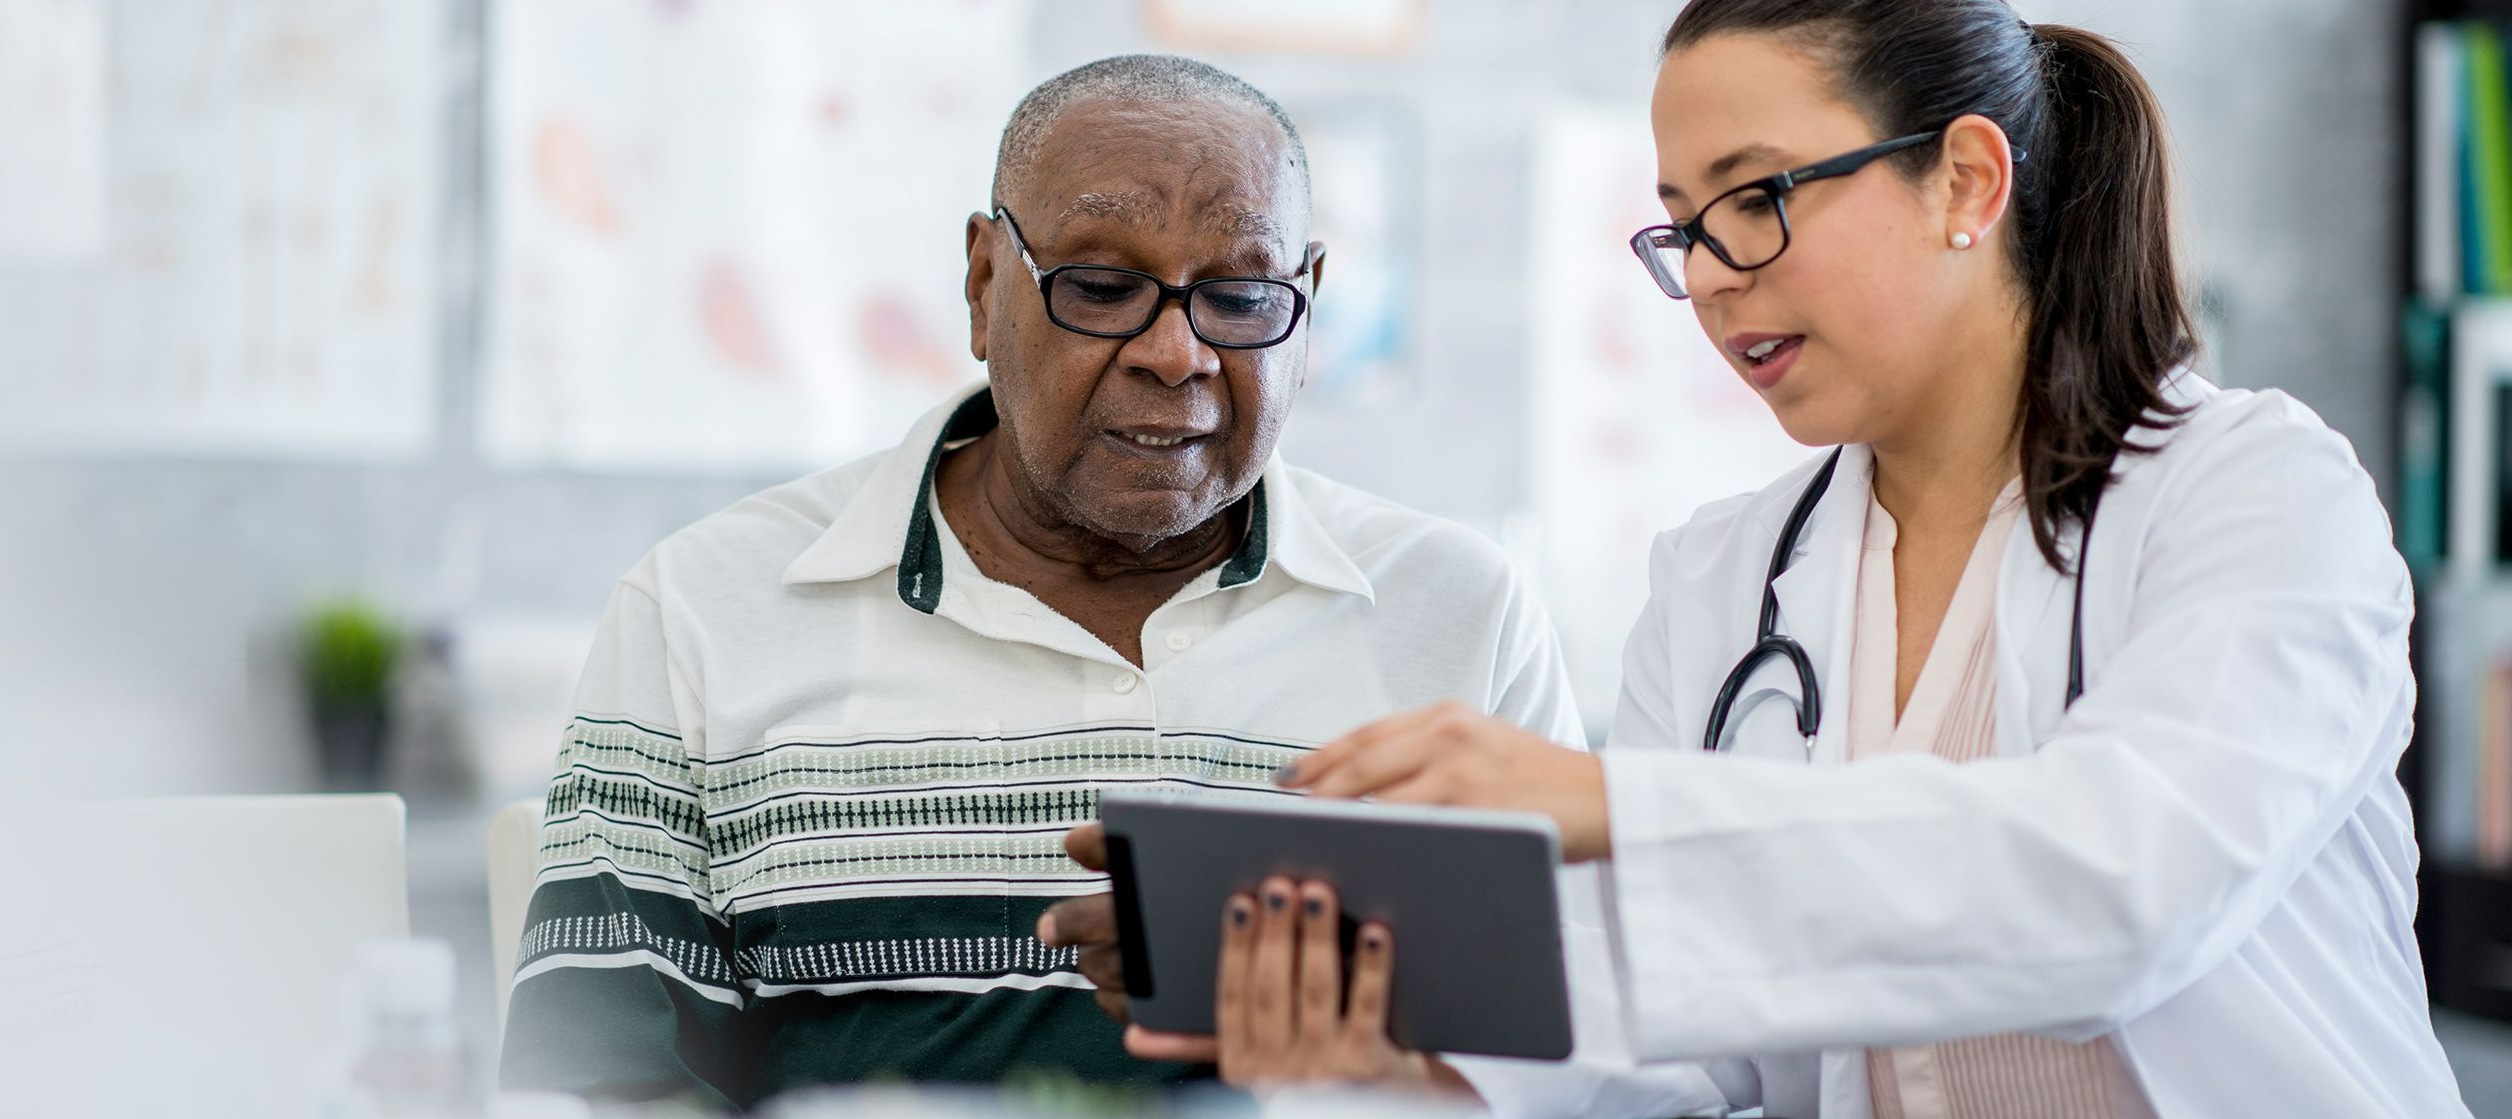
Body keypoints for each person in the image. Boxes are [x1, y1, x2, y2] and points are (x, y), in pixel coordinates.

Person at [1093, 3, 2473, 1116]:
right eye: (1684, 225)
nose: (1707, 273)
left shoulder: (2255, 493)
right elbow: (1691, 1029)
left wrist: (1617, 806)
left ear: (1968, 181)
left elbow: (2125, 889)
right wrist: (1412, 1042)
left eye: (1755, 198)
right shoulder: (1725, 574)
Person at [497, 53, 1720, 1115]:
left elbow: (1592, 1064)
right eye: (1098, 286)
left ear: (1308, 311)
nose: (1177, 352)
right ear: (985, 285)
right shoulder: (711, 607)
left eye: (1240, 297)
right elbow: (589, 1084)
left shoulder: (1455, 613)